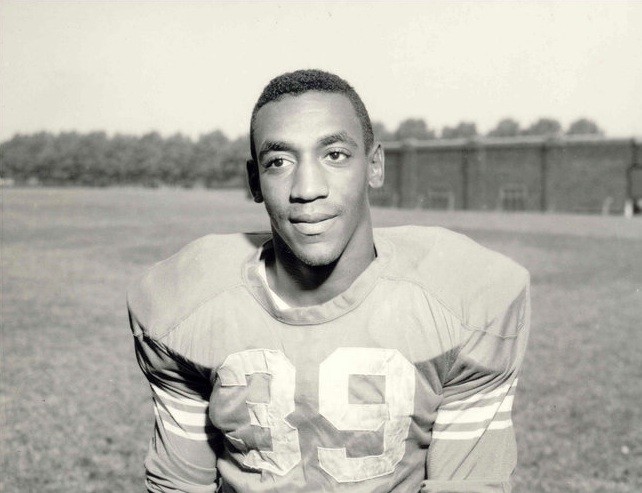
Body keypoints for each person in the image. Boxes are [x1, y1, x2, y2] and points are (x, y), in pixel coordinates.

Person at [127, 69, 531, 493]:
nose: (307, 188)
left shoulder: (463, 300)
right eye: (279, 162)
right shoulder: (186, 305)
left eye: (334, 155)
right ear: (255, 182)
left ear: (374, 165)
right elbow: (178, 486)